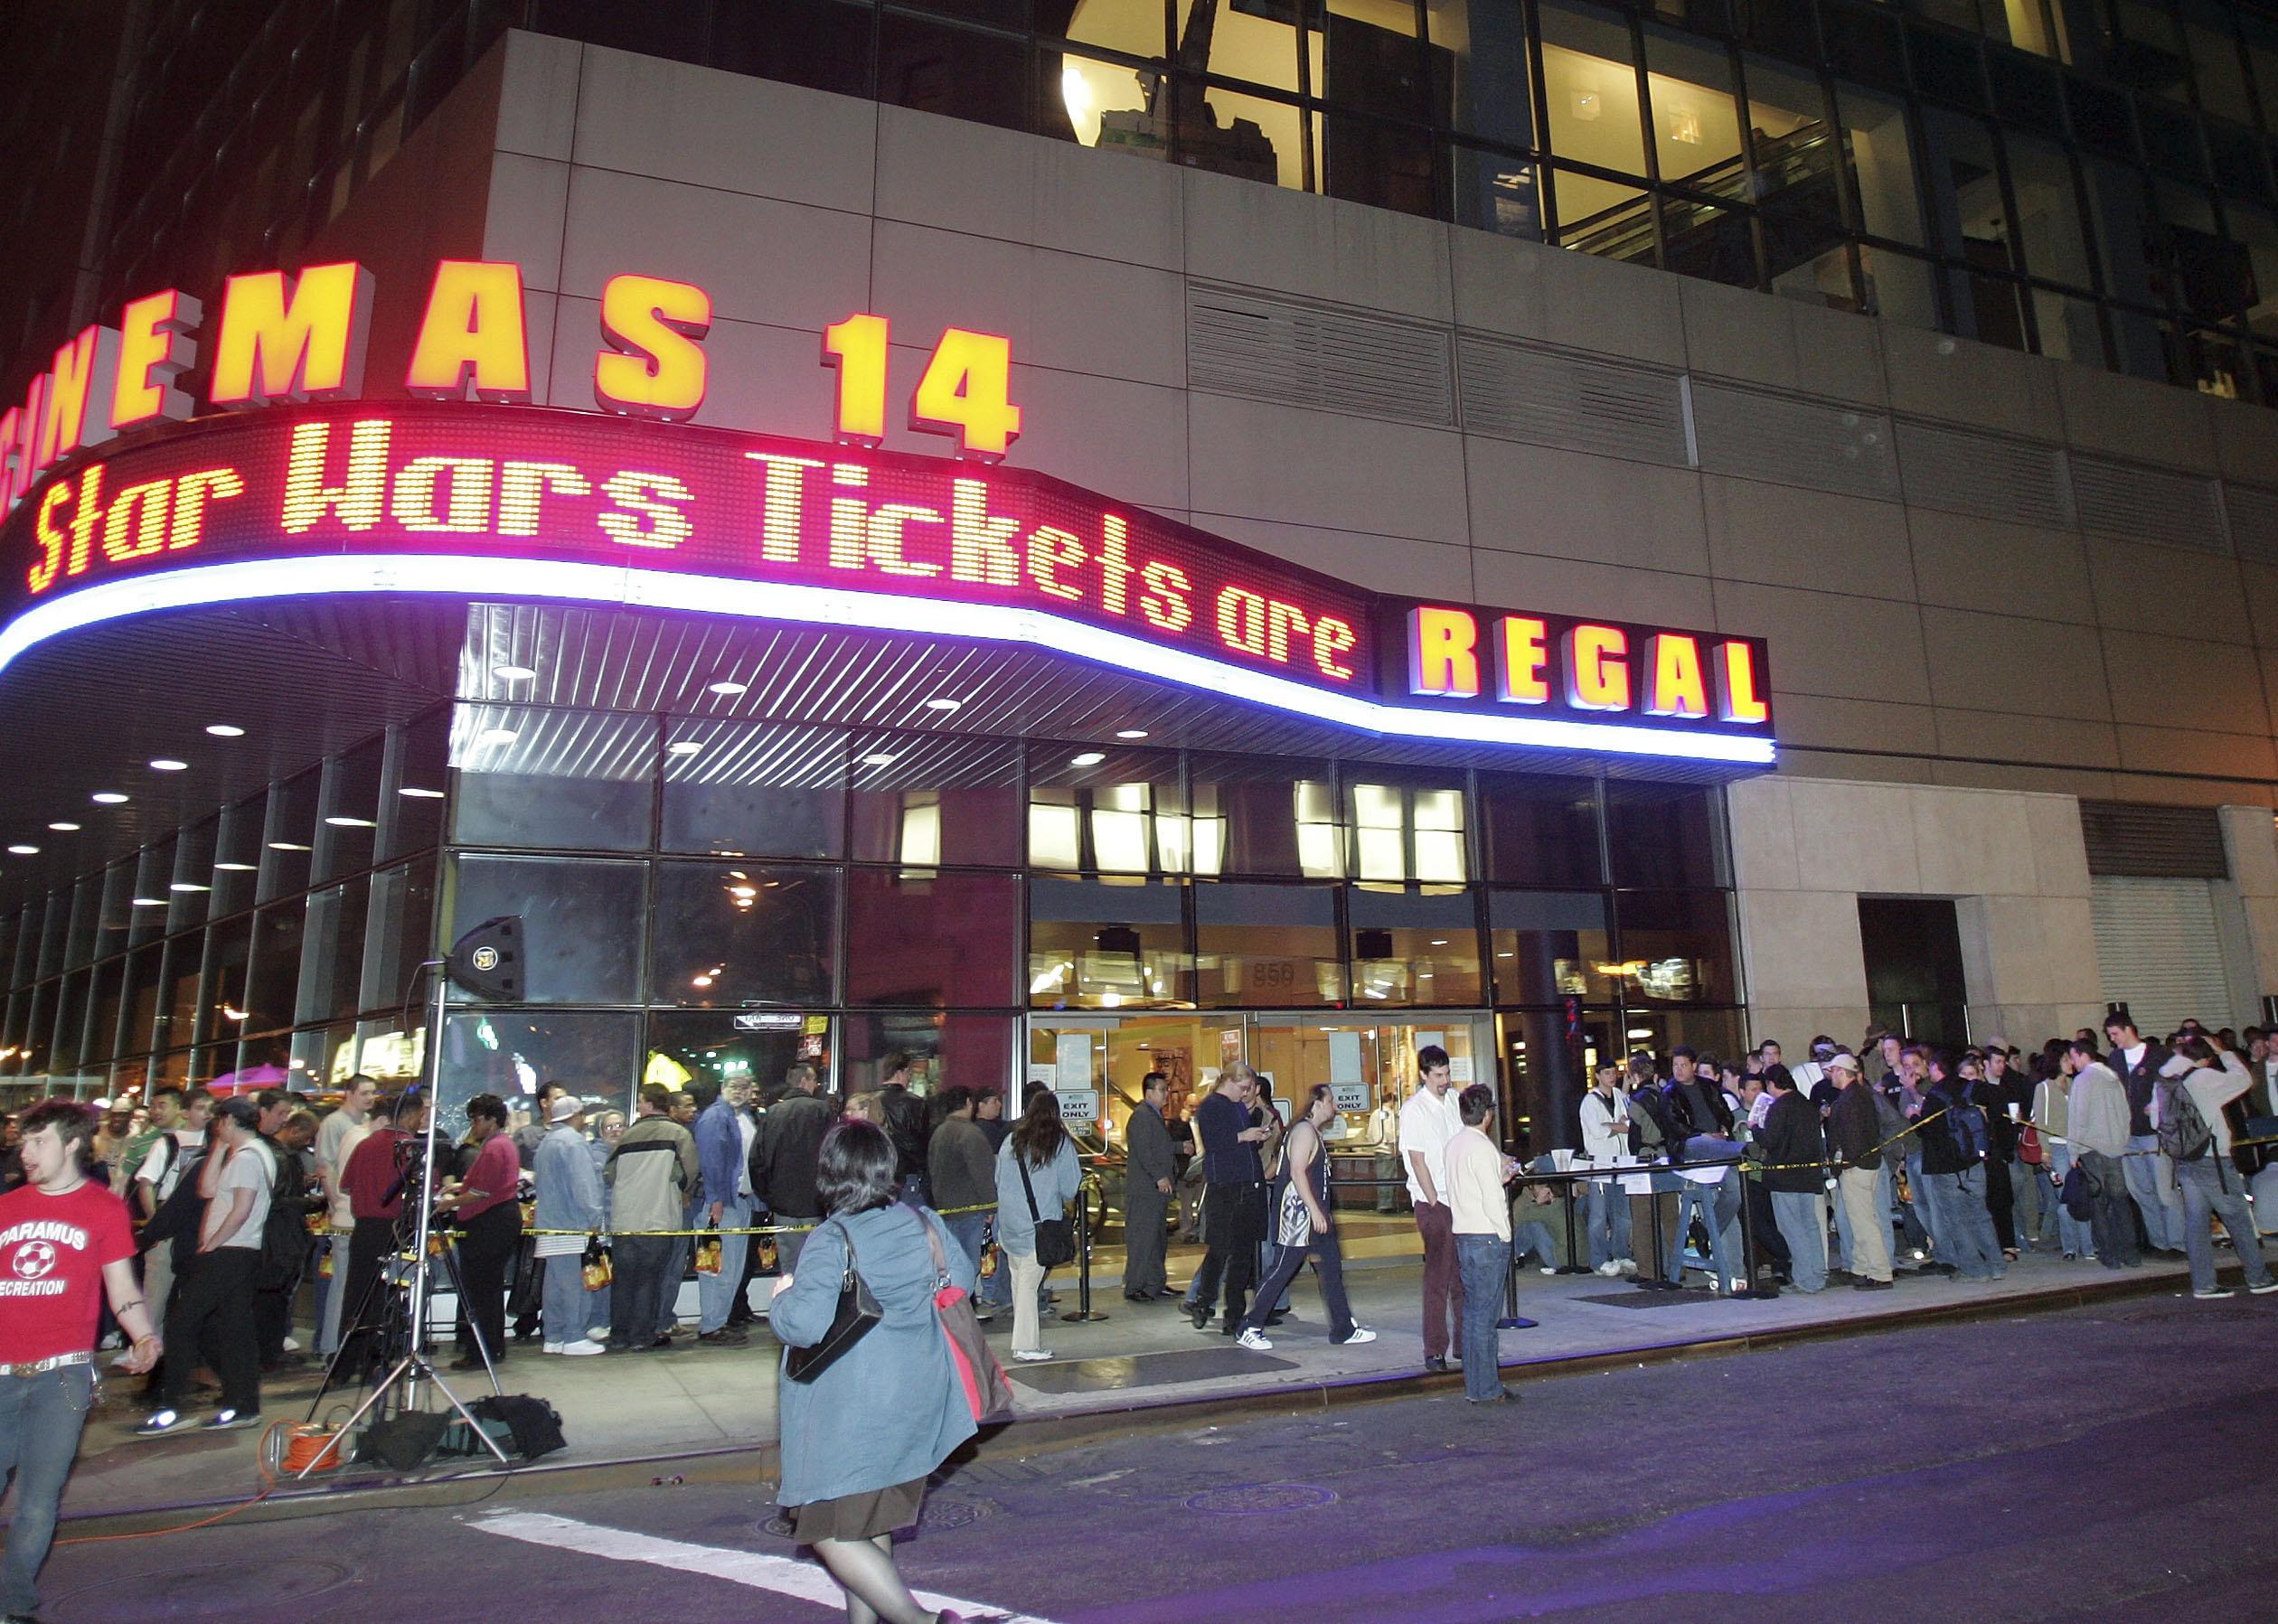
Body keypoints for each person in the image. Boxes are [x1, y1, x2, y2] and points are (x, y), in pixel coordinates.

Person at [771, 1119, 978, 1624]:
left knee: (826, 1531)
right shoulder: (923, 1221)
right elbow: (963, 1282)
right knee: (870, 1517)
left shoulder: (832, 1238)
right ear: (885, 1167)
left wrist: (781, 1299)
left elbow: (804, 1325)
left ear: (830, 1174)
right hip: (918, 1390)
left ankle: (920, 1622)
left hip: (854, 1408)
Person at [1, 1100, 163, 1623]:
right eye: (23, 1143)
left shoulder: (103, 1209)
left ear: (72, 1143)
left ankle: (13, 1604)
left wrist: (144, 1337)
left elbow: (122, 1287)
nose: (26, 1153)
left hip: (63, 1378)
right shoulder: (6, 1208)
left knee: (36, 1502)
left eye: (38, 1141)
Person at [137, 1096, 274, 1435]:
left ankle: (172, 1407)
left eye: (218, 1122)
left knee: (182, 1323)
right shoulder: (245, 1154)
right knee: (234, 1330)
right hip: (238, 1252)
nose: (214, 1127)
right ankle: (243, 1406)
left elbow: (241, 1208)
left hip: (230, 1251)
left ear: (228, 1121)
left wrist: (211, 1243)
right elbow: (207, 1188)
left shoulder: (246, 1159)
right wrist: (216, 1148)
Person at [1234, 1084, 1374, 1350]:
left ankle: (1343, 1328)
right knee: (1282, 1269)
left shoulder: (1310, 1132)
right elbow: (1297, 1172)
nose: (1335, 1105)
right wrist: (1313, 1210)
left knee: (1330, 1269)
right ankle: (1249, 1326)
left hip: (1313, 1216)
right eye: (1331, 1100)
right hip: (1299, 1216)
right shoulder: (1304, 1132)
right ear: (1318, 1103)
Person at [2156, 1039, 2278, 1300]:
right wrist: (2227, 1053)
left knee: (2197, 1223)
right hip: (2213, 1159)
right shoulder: (2204, 1078)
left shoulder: (2167, 1080)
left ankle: (2203, 1283)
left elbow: (2156, 1118)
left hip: (2185, 1158)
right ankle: (2258, 1277)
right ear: (2207, 1057)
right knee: (2238, 1218)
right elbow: (2243, 1080)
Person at [607, 1084, 700, 1353]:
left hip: (625, 1220)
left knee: (623, 1280)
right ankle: (641, 1336)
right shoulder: (678, 1134)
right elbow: (690, 1172)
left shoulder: (627, 1137)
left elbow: (609, 1175)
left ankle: (619, 1335)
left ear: (649, 1104)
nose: (637, 1106)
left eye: (640, 1101)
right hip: (658, 1218)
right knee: (650, 1279)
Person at [1444, 1085, 1519, 1404]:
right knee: (1486, 1319)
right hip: (1487, 1237)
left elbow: (1466, 1187)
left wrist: (1496, 1177)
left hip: (1464, 1234)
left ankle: (1475, 1385)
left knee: (1473, 1315)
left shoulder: (1454, 1145)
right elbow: (1492, 1200)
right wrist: (1505, 1234)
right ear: (1487, 1115)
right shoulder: (1484, 1148)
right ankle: (1488, 1388)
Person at [994, 1090, 1081, 1363]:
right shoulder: (1059, 1144)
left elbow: (998, 1179)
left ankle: (1025, 1342)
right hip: (1039, 1228)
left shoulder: (1011, 1140)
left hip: (1010, 1225)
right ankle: (1025, 1346)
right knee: (1029, 1287)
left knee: (1020, 1282)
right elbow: (1070, 1187)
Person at [437, 1094, 522, 1372]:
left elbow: (482, 1192)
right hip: (499, 1219)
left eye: (478, 1118)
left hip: (488, 1223)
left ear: (492, 1120)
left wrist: (450, 1202)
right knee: (490, 1290)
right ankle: (491, 1348)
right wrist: (460, 1187)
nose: (474, 1123)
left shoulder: (494, 1147)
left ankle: (479, 1352)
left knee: (480, 1291)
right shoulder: (501, 1144)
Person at [1186, 1062, 1270, 1338]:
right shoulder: (1212, 1105)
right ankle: (1204, 1300)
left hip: (1245, 1183)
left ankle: (1233, 1316)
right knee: (1221, 1249)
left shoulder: (1235, 1107)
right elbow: (1213, 1142)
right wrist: (1243, 1135)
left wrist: (1254, 1134)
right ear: (1232, 1081)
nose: (1246, 1094)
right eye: (1244, 1088)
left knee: (1241, 1253)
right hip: (1224, 1186)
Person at [1398, 1047, 1465, 1371]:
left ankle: (1466, 1344)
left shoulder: (1454, 1102)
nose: (1444, 1080)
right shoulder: (1414, 1110)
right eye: (1438, 1075)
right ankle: (1435, 1348)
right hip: (1434, 1200)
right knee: (1439, 1275)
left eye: (1447, 1073)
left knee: (1461, 1276)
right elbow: (1416, 1158)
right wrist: (1432, 1198)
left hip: (1458, 1197)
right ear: (1424, 1075)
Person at [1916, 1052, 2003, 1282]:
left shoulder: (1934, 1096)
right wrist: (1988, 1121)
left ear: (1936, 1068)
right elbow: (1998, 1097)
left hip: (1946, 1169)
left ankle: (1975, 1269)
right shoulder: (1971, 1087)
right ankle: (1997, 1265)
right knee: (1980, 1215)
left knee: (1957, 1220)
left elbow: (1927, 1132)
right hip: (1973, 1161)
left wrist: (1914, 1118)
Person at [532, 1094, 607, 1356]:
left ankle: (554, 1335)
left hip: (549, 1223)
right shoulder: (574, 1143)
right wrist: (595, 1217)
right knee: (575, 1283)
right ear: (577, 1115)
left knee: (554, 1283)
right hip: (572, 1223)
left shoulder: (548, 1142)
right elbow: (584, 1184)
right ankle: (574, 1336)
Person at [2104, 1009, 2183, 1254]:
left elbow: (2177, 1087)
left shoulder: (2159, 1056)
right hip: (2127, 1135)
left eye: (2115, 1034)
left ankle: (2178, 1243)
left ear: (2128, 1030)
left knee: (2164, 1191)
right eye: (2109, 1036)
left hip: (2153, 1133)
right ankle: (2159, 1242)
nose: (2113, 1039)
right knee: (2142, 1192)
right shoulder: (2115, 1059)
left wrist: (2160, 1106)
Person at [312, 1075, 377, 1358]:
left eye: (373, 1093)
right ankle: (330, 1347)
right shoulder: (334, 1124)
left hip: (353, 1212)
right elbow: (325, 1168)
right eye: (365, 1092)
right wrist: (338, 1201)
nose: (370, 1098)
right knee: (339, 1282)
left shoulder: (363, 1125)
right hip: (344, 1215)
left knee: (345, 1281)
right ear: (349, 1093)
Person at [2063, 1040, 2140, 1270]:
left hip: (2091, 1148)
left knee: (2098, 1202)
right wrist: (2121, 1139)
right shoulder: (2113, 1078)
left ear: (2081, 1055)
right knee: (2120, 1202)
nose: (2072, 1063)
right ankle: (2131, 1252)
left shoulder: (2083, 1080)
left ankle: (2108, 1253)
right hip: (2114, 1147)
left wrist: (2073, 1150)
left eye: (2073, 1057)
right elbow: (2125, 1113)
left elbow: (2078, 1117)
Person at [694, 1076, 758, 1347]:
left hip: (741, 1202)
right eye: (734, 1086)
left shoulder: (743, 1117)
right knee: (718, 1269)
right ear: (722, 1088)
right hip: (722, 1205)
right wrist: (715, 1201)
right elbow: (711, 1161)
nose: (740, 1092)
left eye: (745, 1088)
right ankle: (712, 1326)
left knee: (732, 1269)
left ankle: (720, 1322)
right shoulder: (714, 1118)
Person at [752, 1062, 834, 1275]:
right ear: (804, 1081)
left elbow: (757, 1161)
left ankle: (789, 1305)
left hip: (783, 1206)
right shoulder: (823, 1111)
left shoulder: (772, 1114)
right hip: (817, 1203)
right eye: (815, 1080)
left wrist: (770, 1197)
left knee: (789, 1267)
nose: (816, 1085)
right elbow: (835, 1156)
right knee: (818, 1265)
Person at [1758, 1064, 1829, 1293]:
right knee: (1810, 1225)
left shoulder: (1779, 1107)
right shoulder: (1808, 1105)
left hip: (1785, 1177)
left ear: (1771, 1084)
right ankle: (1818, 1274)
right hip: (1809, 1176)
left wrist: (1755, 1129)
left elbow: (1771, 1141)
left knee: (1792, 1228)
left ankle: (1804, 1279)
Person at [1825, 1052, 1893, 1290]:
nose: (1830, 1075)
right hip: (1869, 1164)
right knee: (1864, 1218)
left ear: (1842, 1072)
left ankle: (1880, 1272)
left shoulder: (1848, 1101)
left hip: (1856, 1167)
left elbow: (1851, 1137)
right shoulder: (1862, 1096)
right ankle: (1861, 1268)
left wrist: (1844, 1163)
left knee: (1863, 1222)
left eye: (1833, 1071)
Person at [926, 1087, 997, 1313]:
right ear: (968, 1103)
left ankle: (950, 1303)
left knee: (949, 1260)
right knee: (969, 1264)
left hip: (945, 1207)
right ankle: (961, 1307)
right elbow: (982, 1172)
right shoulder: (971, 1134)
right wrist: (990, 1205)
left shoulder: (939, 1132)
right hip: (970, 1208)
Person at [1121, 1072, 1177, 1302]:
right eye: (1162, 1090)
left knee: (1156, 1239)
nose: (1167, 1095)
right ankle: (1135, 1286)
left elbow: (1158, 1146)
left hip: (1154, 1192)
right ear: (1149, 1092)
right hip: (1145, 1190)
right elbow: (1144, 1152)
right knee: (1142, 1238)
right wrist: (1159, 1176)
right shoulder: (1142, 1116)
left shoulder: (1153, 1116)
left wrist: (1179, 1147)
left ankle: (1155, 1283)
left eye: (1167, 1090)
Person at [2032, 1055, 2091, 1261]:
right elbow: (2041, 1122)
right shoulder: (2044, 1088)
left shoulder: (2075, 1084)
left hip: (2077, 1146)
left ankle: (2088, 1245)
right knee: (2065, 1197)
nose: (2070, 1063)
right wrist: (2045, 1150)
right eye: (2066, 1059)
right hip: (2057, 1148)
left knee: (2082, 1194)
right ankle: (2070, 1247)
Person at [1577, 1060, 1633, 1277]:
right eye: (1607, 1073)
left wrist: (1613, 1126)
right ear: (1598, 1075)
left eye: (1613, 1073)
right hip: (1600, 1163)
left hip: (1621, 1161)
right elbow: (1597, 1131)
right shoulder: (1589, 1102)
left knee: (1622, 1213)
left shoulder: (1618, 1095)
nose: (1611, 1076)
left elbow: (1627, 1124)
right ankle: (1598, 1259)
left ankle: (1621, 1253)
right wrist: (1618, 1126)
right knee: (1599, 1214)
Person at [876, 1053, 930, 1206]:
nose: (909, 1078)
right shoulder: (916, 1103)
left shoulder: (869, 1099)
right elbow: (921, 1143)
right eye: (909, 1073)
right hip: (907, 1173)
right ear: (901, 1072)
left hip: (875, 1172)